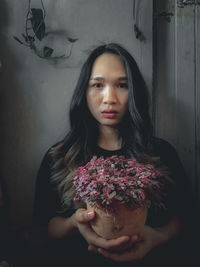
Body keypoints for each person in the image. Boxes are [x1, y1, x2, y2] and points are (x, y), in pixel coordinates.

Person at [33, 43, 192, 267]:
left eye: (122, 85)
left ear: (134, 90)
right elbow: (42, 229)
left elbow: (183, 219)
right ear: (84, 91)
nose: (110, 98)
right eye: (98, 85)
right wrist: (74, 223)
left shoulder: (161, 154)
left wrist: (156, 238)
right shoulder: (58, 156)